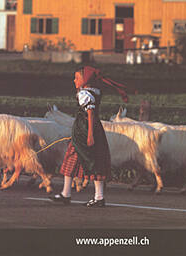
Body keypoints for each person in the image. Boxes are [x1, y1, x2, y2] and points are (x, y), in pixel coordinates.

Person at [50, 65, 128, 208]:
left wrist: (90, 135)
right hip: (88, 130)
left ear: (84, 80)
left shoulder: (84, 94)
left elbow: (90, 113)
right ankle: (67, 193)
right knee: (77, 159)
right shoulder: (94, 91)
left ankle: (95, 197)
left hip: (85, 131)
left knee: (90, 160)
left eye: (77, 78)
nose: (74, 81)